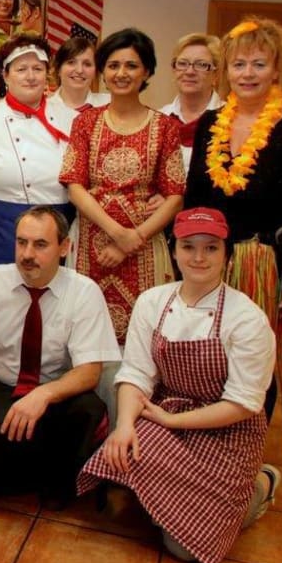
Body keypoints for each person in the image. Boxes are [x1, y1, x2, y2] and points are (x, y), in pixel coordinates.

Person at [77, 207, 278, 563]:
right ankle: (170, 500)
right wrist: (124, 426)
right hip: (167, 411)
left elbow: (243, 403)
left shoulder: (247, 319)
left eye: (211, 248)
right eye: (188, 247)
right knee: (124, 454)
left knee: (183, 549)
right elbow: (136, 372)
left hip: (226, 431)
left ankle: (261, 484)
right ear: (174, 251)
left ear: (227, 255)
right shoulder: (153, 302)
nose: (199, 258)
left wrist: (171, 422)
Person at [185, 17, 282, 372]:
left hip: (263, 263)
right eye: (239, 64)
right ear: (226, 71)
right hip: (209, 259)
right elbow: (194, 199)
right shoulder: (210, 122)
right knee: (206, 358)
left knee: (253, 363)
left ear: (276, 70)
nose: (247, 74)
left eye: (259, 64)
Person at [0, 206, 118, 506]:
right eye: (22, 242)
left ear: (64, 247)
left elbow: (89, 371)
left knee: (89, 410)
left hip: (54, 386)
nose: (27, 254)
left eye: (40, 244)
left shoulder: (85, 292)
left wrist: (43, 395)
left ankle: (57, 489)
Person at [59, 28, 186, 344]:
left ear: (147, 72)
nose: (121, 73)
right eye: (113, 65)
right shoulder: (86, 122)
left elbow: (175, 196)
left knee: (145, 336)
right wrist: (118, 234)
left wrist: (134, 239)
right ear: (103, 71)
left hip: (145, 245)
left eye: (131, 65)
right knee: (88, 332)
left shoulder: (165, 127)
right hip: (92, 244)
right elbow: (74, 186)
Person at [0, 35, 74, 271]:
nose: (31, 76)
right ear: (6, 75)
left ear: (47, 74)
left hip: (56, 230)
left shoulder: (72, 120)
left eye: (38, 69)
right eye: (21, 69)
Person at [160, 33, 223, 174]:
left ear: (216, 74)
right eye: (182, 63)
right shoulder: (159, 118)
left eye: (201, 65)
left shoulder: (230, 119)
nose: (189, 71)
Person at [47, 35, 110, 136]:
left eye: (87, 64)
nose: (79, 70)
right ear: (58, 69)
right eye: (71, 62)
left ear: (95, 71)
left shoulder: (110, 105)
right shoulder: (44, 109)